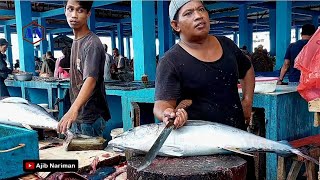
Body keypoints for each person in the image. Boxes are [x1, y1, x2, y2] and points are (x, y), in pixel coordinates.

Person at [153, 0, 255, 179]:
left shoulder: (226, 44)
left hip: (237, 140)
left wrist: (247, 102)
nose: (198, 16)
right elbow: (161, 105)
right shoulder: (171, 61)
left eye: (201, 9)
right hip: (199, 151)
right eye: (188, 13)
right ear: (175, 25)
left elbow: (247, 69)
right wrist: (168, 113)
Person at [57, 0, 110, 137]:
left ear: (88, 14)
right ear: (65, 11)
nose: (74, 15)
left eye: (80, 10)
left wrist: (73, 110)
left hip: (90, 118)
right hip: (80, 116)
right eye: (70, 9)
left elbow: (90, 80)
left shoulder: (92, 43)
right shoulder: (76, 41)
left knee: (90, 157)